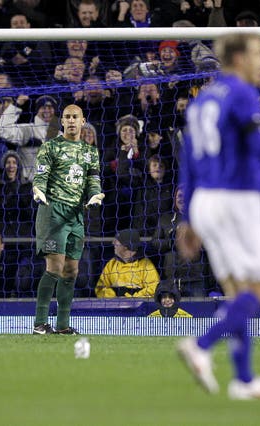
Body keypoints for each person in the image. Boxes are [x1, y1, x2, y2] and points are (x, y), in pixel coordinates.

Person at [175, 33, 260, 400]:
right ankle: (201, 344)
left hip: (205, 201)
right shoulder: (240, 93)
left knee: (237, 292)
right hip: (236, 200)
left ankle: (244, 379)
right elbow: (259, 146)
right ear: (237, 58)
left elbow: (187, 158)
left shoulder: (202, 100)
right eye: (257, 54)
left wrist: (188, 216)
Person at [31, 104, 104, 335]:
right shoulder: (50, 147)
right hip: (53, 211)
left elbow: (93, 180)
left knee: (71, 270)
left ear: (83, 121)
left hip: (76, 214)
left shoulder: (90, 151)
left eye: (75, 117)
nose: (71, 121)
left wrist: (95, 194)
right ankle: (40, 323)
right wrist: (38, 190)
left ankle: (62, 325)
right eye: (67, 117)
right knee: (55, 267)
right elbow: (40, 175)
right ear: (62, 121)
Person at [95, 228, 159, 298]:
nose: (113, 243)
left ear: (125, 246)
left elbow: (154, 288)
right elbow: (100, 288)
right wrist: (113, 298)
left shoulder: (146, 266)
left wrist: (133, 298)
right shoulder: (111, 264)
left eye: (116, 241)